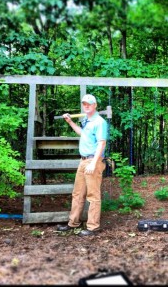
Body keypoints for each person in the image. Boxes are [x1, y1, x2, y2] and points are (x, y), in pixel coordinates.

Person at [57, 94, 107, 236]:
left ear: (95, 105)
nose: (86, 106)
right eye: (84, 103)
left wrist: (94, 162)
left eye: (89, 104)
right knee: (78, 193)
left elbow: (102, 143)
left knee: (93, 195)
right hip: (83, 161)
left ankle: (93, 227)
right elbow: (83, 134)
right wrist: (70, 122)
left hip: (93, 161)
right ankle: (73, 224)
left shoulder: (99, 122)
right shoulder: (87, 120)